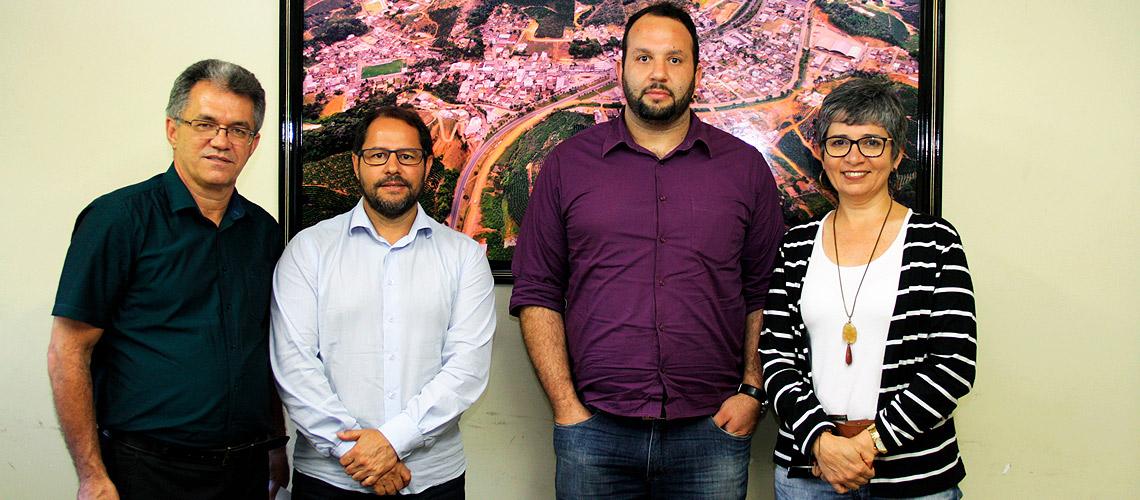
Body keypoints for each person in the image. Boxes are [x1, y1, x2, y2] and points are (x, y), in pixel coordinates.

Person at [509, 3, 785, 498]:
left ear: (697, 71)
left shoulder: (744, 169)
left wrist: (751, 390)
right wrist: (566, 406)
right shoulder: (568, 166)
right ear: (621, 68)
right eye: (643, 58)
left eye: (674, 59)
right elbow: (537, 291)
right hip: (594, 431)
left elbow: (766, 290)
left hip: (712, 431)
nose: (658, 73)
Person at [47, 59, 288, 499]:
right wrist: (91, 475)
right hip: (145, 471)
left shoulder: (263, 233)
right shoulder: (117, 220)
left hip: (244, 471)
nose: (221, 141)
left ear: (253, 145)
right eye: (205, 124)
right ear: (172, 130)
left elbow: (263, 347)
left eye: (238, 130)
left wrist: (275, 444)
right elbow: (68, 351)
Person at [759, 77, 976, 499]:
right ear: (822, 154)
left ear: (896, 155)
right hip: (810, 470)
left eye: (872, 143)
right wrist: (822, 442)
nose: (854, 157)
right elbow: (776, 356)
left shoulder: (936, 242)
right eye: (839, 142)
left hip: (914, 475)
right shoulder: (797, 245)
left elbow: (953, 363)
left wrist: (868, 445)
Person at [270, 105, 495, 499]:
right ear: (356, 164)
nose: (392, 167)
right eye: (377, 155)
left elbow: (466, 370)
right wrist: (354, 451)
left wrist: (391, 442)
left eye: (407, 156)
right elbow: (294, 366)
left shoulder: (465, 258)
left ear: (427, 165)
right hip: (328, 481)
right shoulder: (308, 250)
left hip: (432, 481)